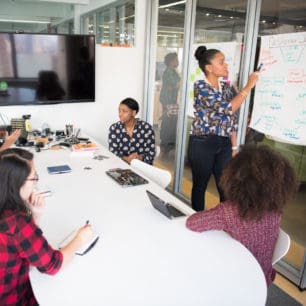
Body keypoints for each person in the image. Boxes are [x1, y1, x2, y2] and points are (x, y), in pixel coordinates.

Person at [186, 145, 297, 286]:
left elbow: (192, 223)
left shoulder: (229, 211)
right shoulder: (275, 212)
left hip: (236, 280)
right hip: (263, 278)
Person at [0, 148, 93, 305]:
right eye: (33, 178)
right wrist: (80, 238)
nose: (36, 182)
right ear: (17, 182)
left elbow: (21, 247)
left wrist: (35, 214)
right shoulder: (17, 223)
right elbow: (53, 265)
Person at [188, 45, 259, 211]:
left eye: (225, 61)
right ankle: (197, 218)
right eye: (221, 62)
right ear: (209, 68)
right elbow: (227, 109)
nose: (226, 65)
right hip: (202, 142)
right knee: (200, 185)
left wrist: (234, 146)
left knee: (225, 187)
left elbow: (231, 119)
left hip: (225, 143)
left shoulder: (226, 87)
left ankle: (225, 222)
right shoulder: (201, 87)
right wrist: (248, 86)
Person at [108, 97, 156, 165]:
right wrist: (126, 159)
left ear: (134, 112)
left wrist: (140, 158)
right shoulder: (114, 128)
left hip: (142, 167)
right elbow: (113, 151)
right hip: (121, 166)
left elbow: (151, 152)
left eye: (124, 111)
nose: (120, 114)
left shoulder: (147, 128)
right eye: (119, 111)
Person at [159, 52, 180, 156]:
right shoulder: (169, 71)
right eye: (176, 59)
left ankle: (167, 144)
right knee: (168, 121)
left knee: (169, 121)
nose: (178, 61)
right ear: (172, 61)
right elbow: (177, 84)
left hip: (169, 99)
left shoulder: (171, 71)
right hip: (168, 100)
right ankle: (166, 144)